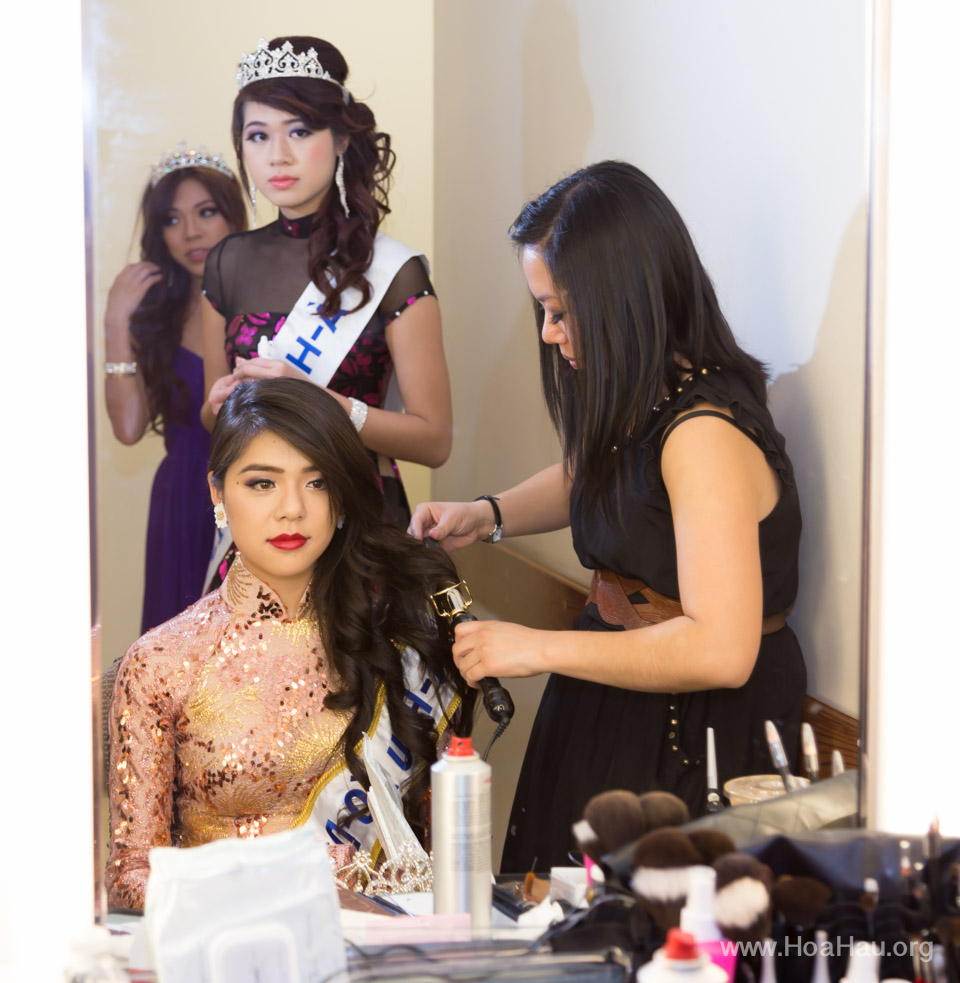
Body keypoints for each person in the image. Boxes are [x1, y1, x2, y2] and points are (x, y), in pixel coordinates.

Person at [409, 161, 806, 872]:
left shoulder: (704, 434)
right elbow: (599, 473)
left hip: (692, 723)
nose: (549, 333)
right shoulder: (648, 395)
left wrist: (534, 647)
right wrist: (488, 515)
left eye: (560, 311)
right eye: (541, 312)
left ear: (622, 296)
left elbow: (721, 648)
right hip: (614, 688)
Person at [107, 378, 472, 911]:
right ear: (217, 493)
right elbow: (131, 876)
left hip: (385, 953)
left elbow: (448, 867)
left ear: (342, 497)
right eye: (262, 483)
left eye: (317, 482)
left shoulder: (401, 640)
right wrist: (288, 886)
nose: (292, 510)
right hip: (231, 950)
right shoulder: (162, 662)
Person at [201, 35, 452, 588]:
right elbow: (211, 420)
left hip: (358, 524)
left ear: (340, 138)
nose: (277, 155)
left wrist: (321, 402)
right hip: (259, 531)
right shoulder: (226, 263)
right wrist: (217, 403)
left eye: (300, 131)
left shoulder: (394, 269)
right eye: (258, 135)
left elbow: (434, 441)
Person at [104, 147, 247, 632]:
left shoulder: (264, 301)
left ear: (234, 213)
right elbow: (127, 429)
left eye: (206, 212)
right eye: (173, 218)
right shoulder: (158, 317)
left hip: (256, 490)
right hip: (182, 497)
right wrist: (116, 321)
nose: (191, 232)